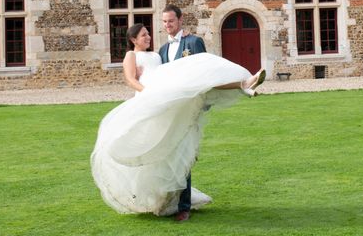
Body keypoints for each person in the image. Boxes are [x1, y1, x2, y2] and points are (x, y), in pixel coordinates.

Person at [91, 19, 265, 221]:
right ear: (133, 39)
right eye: (143, 35)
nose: (148, 37)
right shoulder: (131, 55)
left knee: (200, 76)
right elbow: (130, 79)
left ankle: (243, 83)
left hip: (166, 101)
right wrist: (149, 93)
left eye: (148, 33)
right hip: (149, 103)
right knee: (157, 149)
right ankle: (162, 199)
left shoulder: (158, 54)